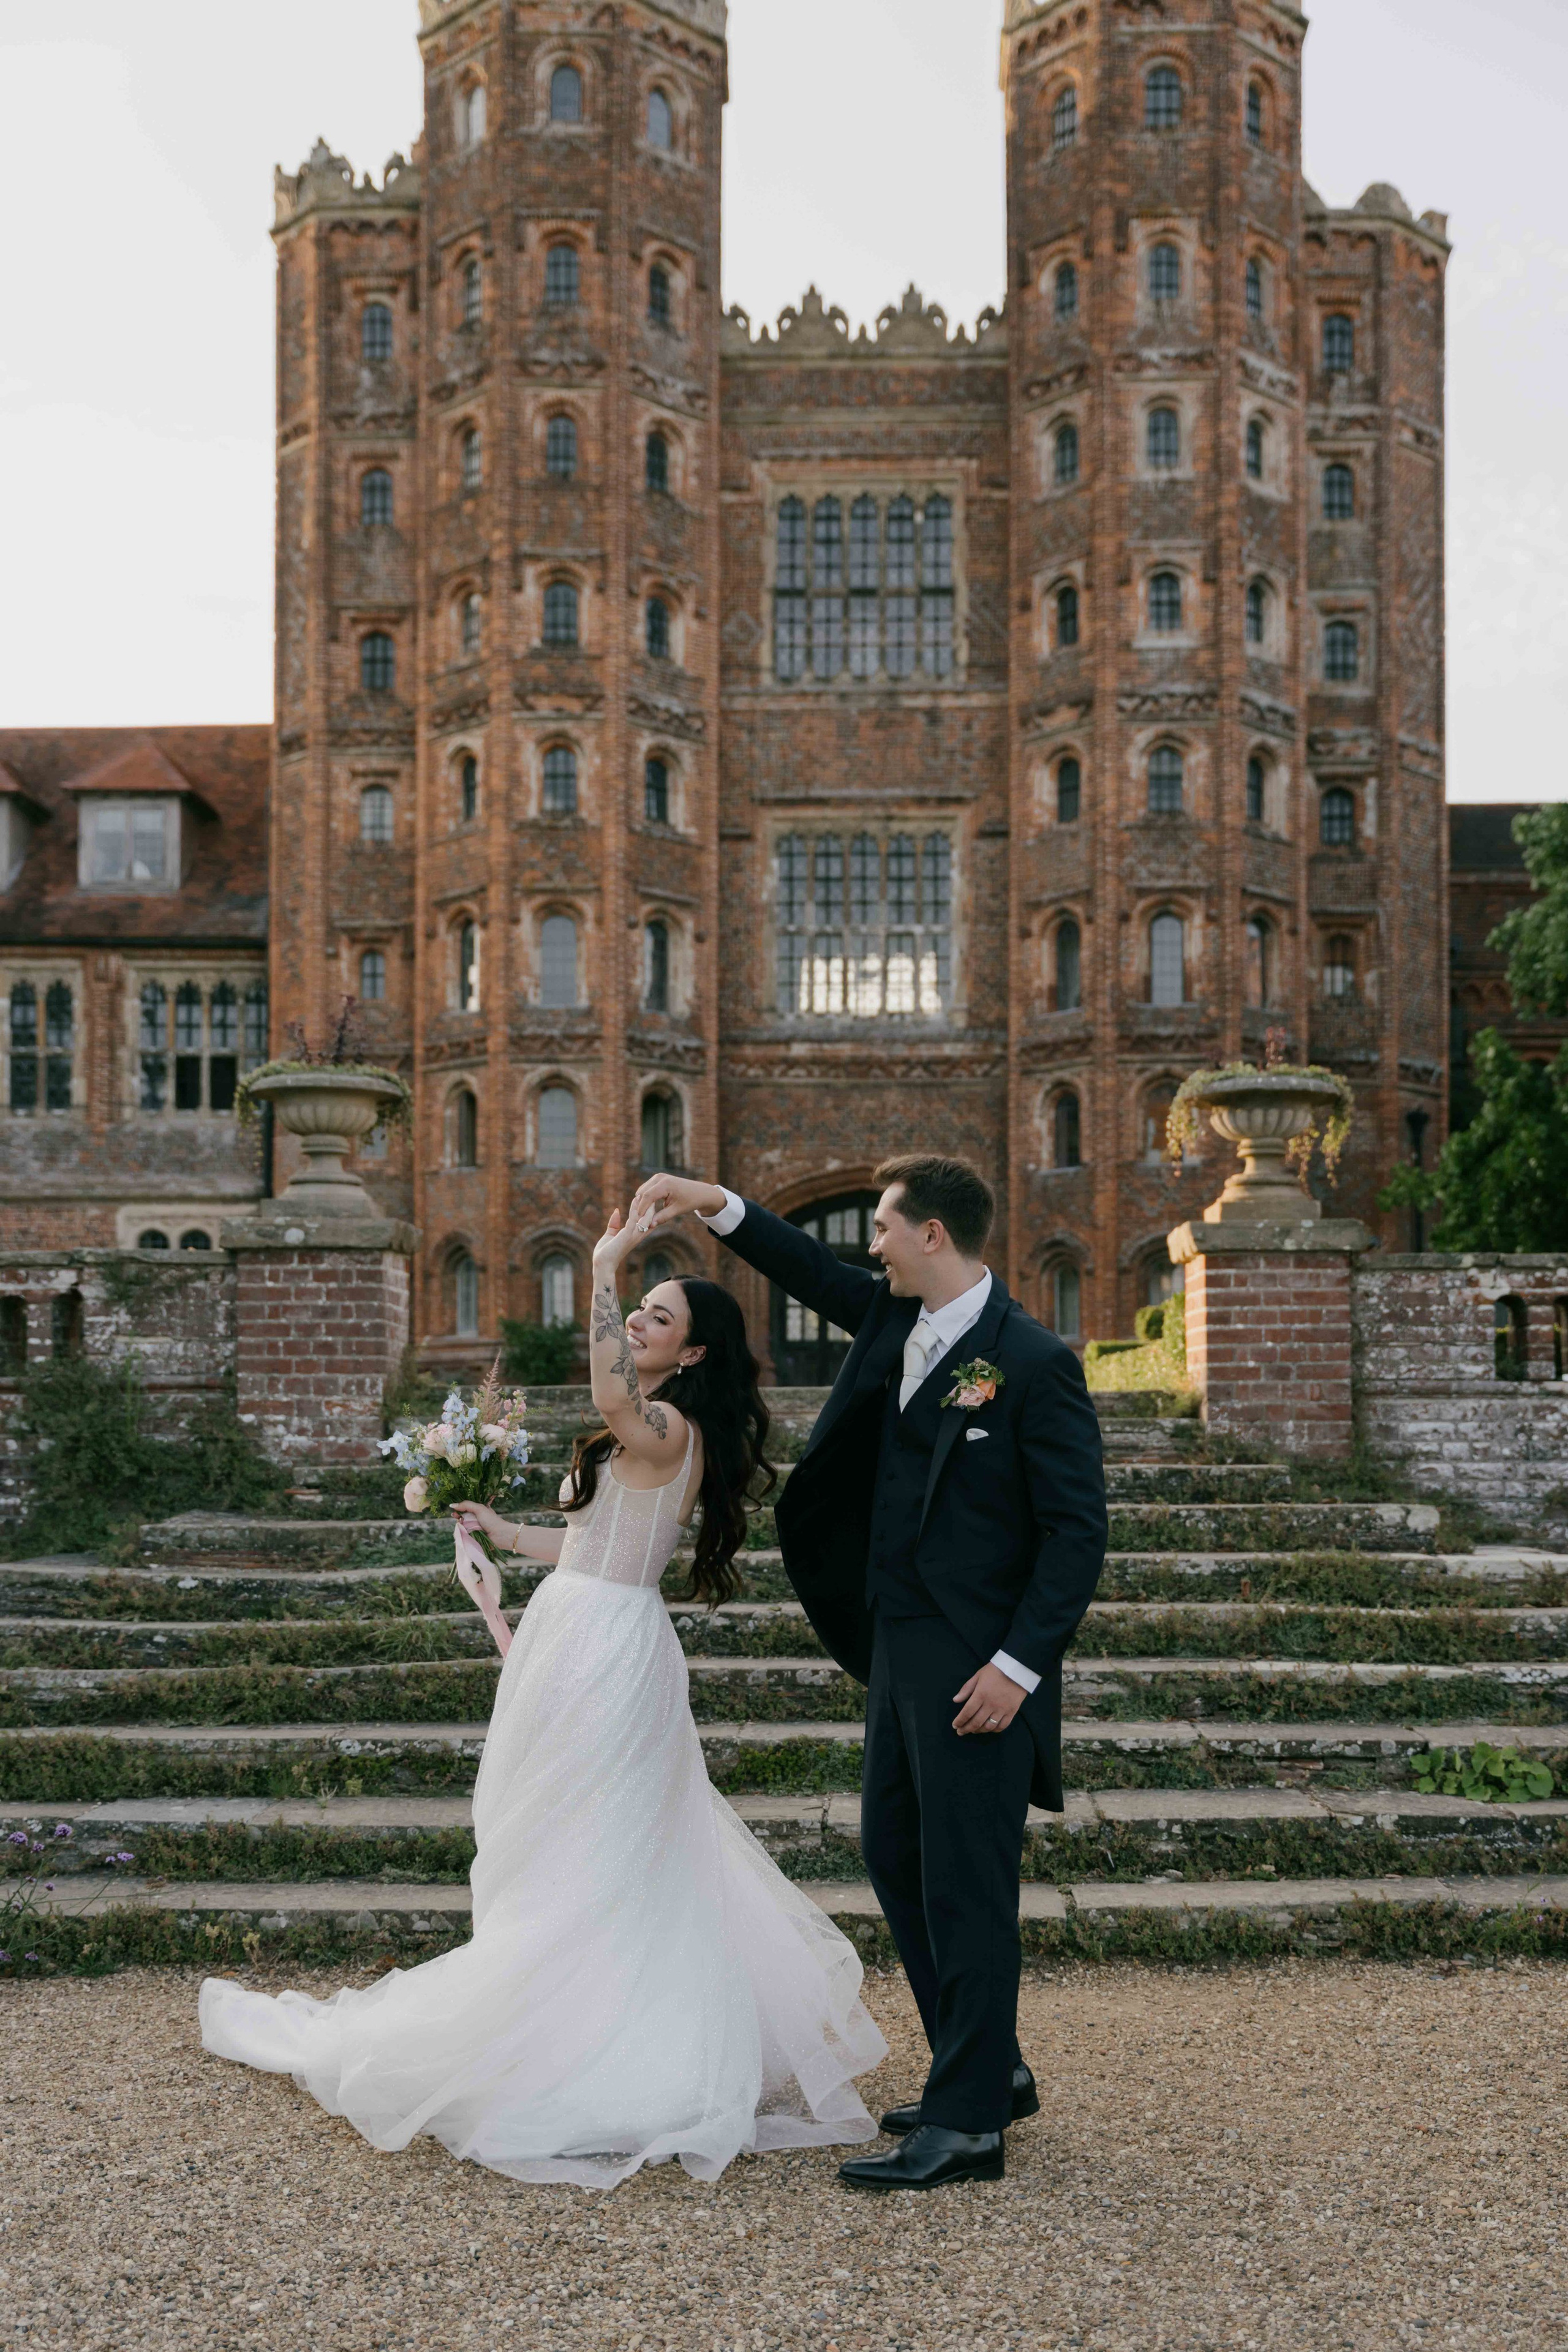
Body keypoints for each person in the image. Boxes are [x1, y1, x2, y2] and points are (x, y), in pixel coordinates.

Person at [198, 1205, 887, 2190]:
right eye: (636, 1312)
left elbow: (609, 1398)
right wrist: (503, 1530)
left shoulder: (668, 1424)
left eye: (656, 1319)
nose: (637, 1327)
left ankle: (584, 2044)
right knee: (561, 1838)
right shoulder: (648, 1434)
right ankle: (573, 2015)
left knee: (595, 1843)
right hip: (579, 1629)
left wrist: (604, 1267)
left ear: (692, 1354)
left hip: (609, 1648)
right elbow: (593, 1544)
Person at [628, 1154, 1107, 2192]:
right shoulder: (894, 1321)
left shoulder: (1030, 1361)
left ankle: (970, 2125)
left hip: (980, 1668)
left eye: (885, 1228)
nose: (872, 1245)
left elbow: (1077, 1534)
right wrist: (712, 1204)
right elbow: (803, 1265)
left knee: (968, 1883)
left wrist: (1018, 1669)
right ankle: (986, 2066)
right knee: (898, 1854)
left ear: (932, 1234)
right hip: (894, 1643)